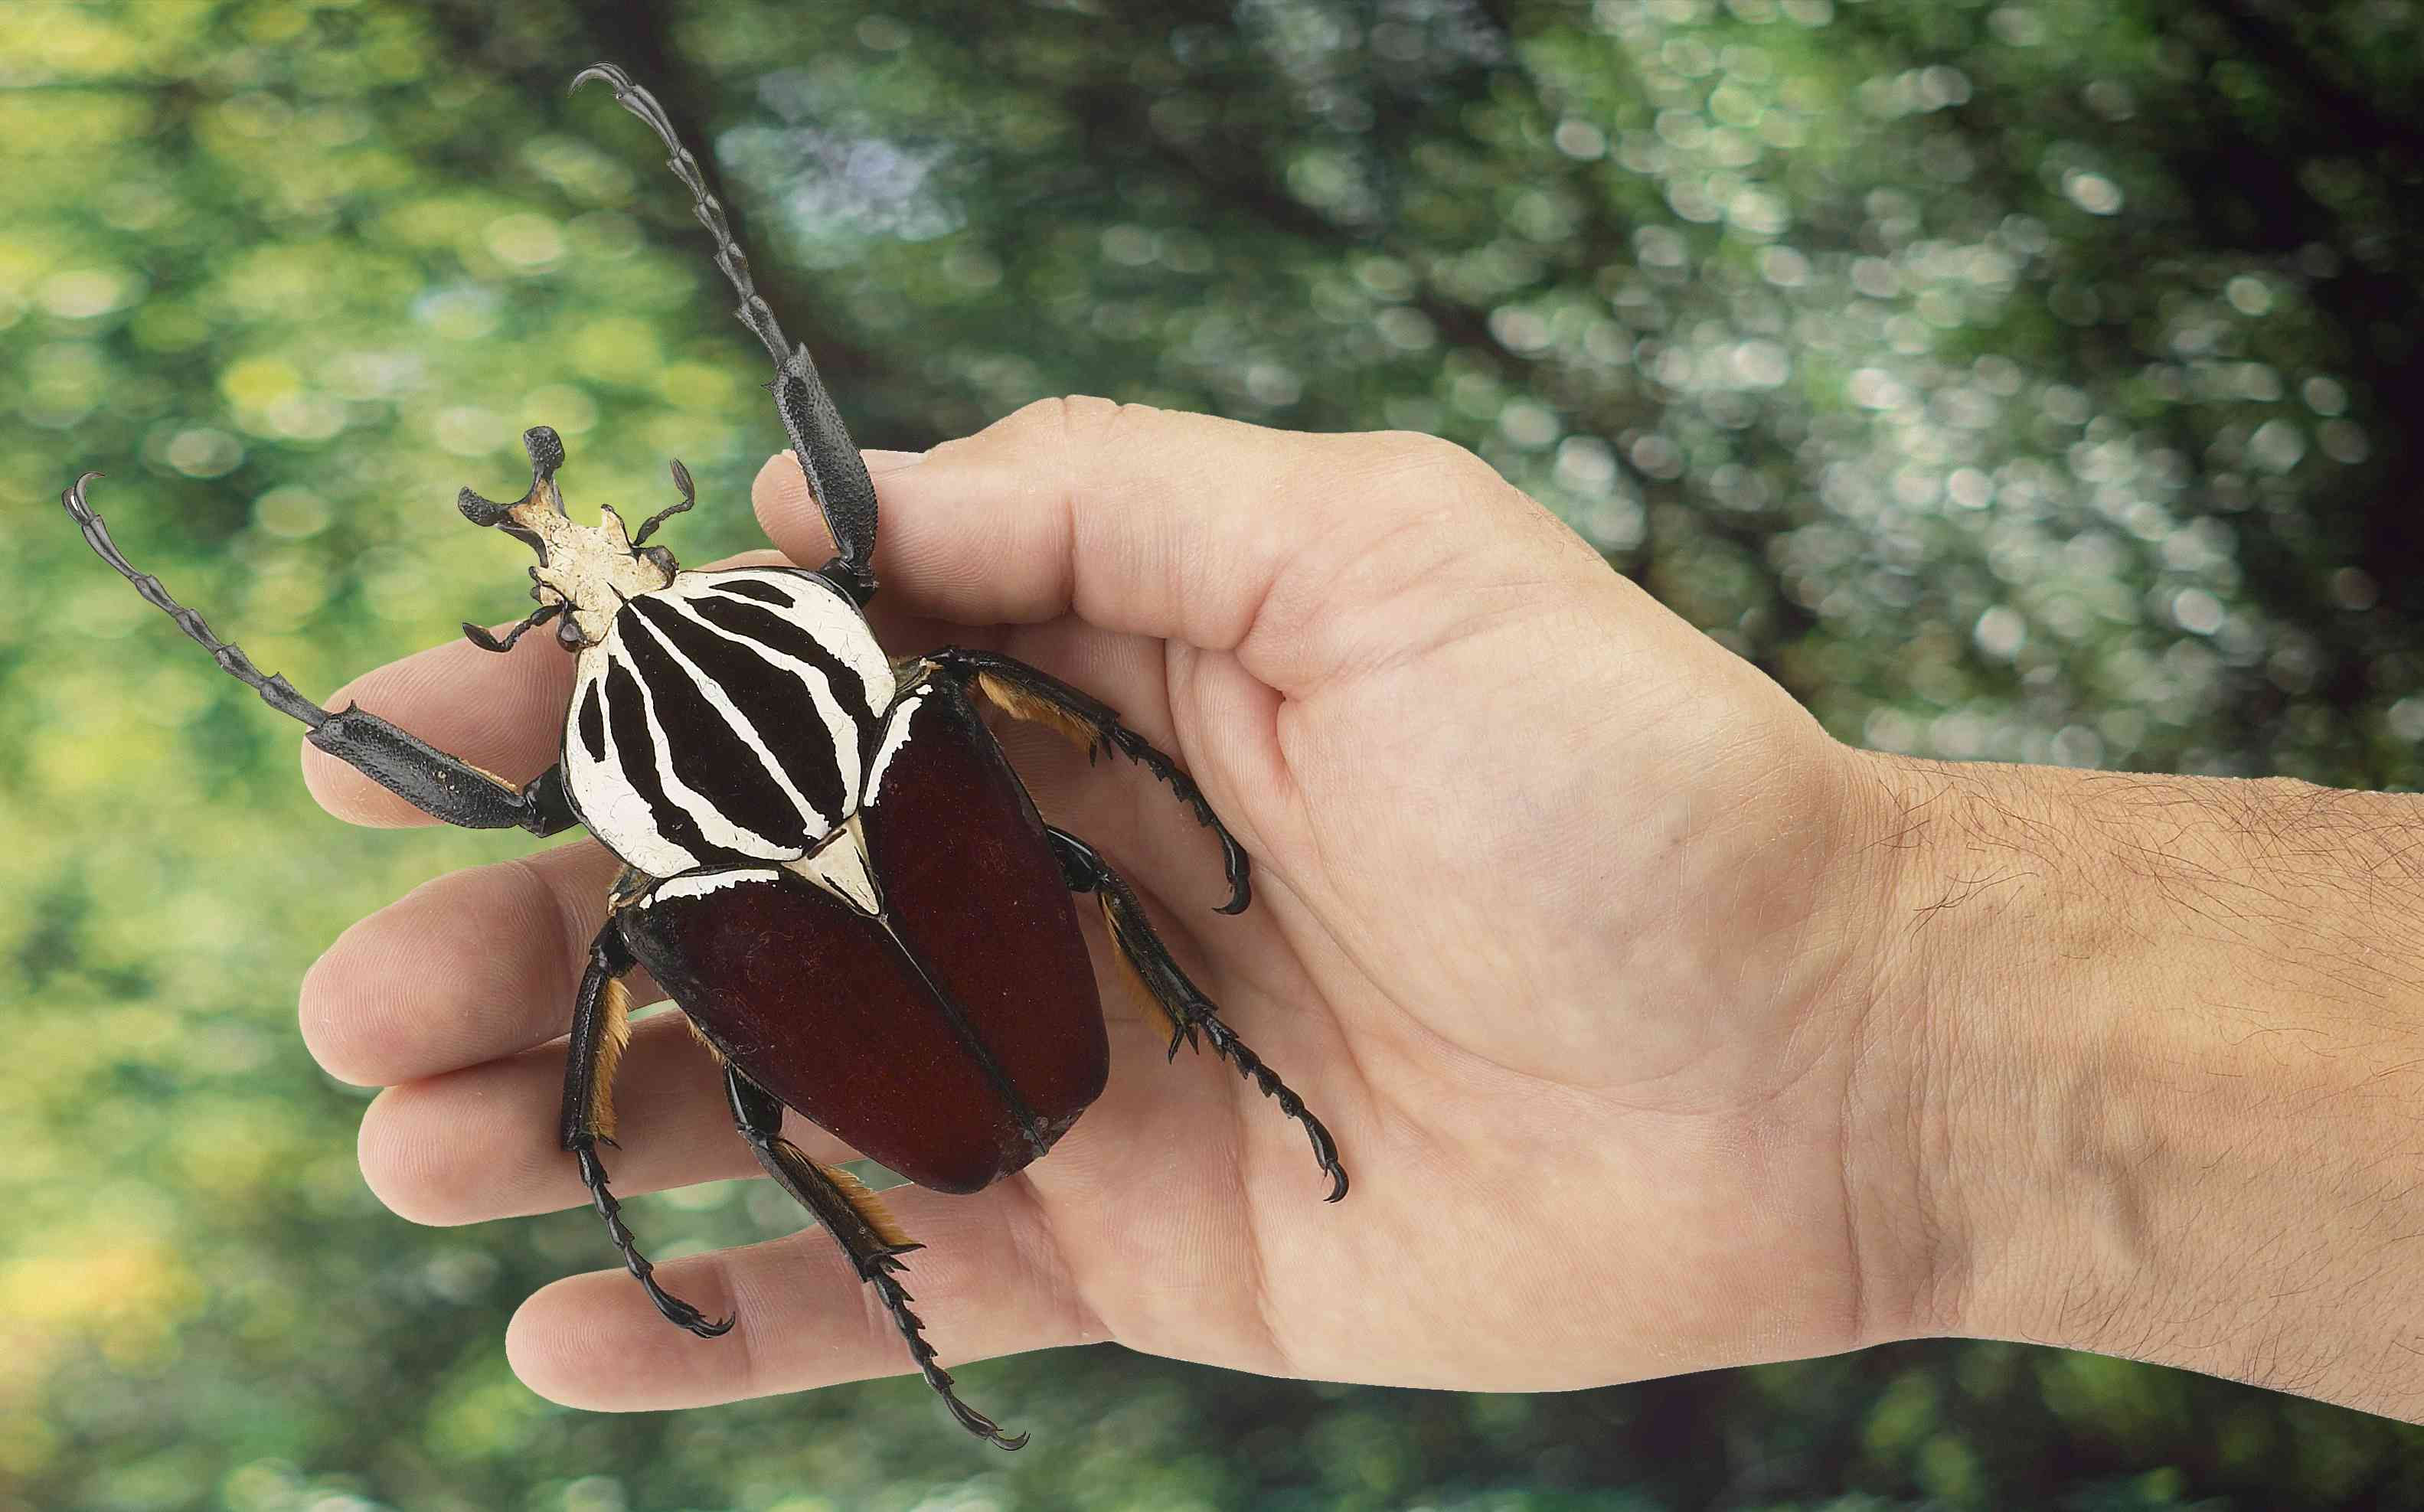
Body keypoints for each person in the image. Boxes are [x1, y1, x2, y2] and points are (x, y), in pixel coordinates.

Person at [296, 398, 2424, 1423]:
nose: (596, 578)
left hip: (906, 1054)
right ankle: (1159, 1070)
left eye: (605, 574)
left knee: (754, 1091)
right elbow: (1009, 727)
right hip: (970, 999)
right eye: (585, 594)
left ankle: (981, 1201)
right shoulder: (904, 688)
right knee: (1070, 869)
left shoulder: (677, 832)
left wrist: (1887, 1022)